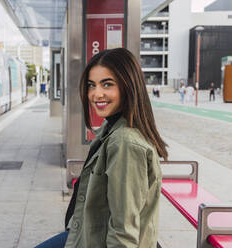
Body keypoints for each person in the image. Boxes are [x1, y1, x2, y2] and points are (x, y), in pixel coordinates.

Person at [34, 48, 168, 248]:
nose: (96, 94)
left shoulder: (125, 142)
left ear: (128, 86)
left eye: (107, 84)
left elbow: (124, 232)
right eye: (91, 85)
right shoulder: (112, 127)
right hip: (87, 235)